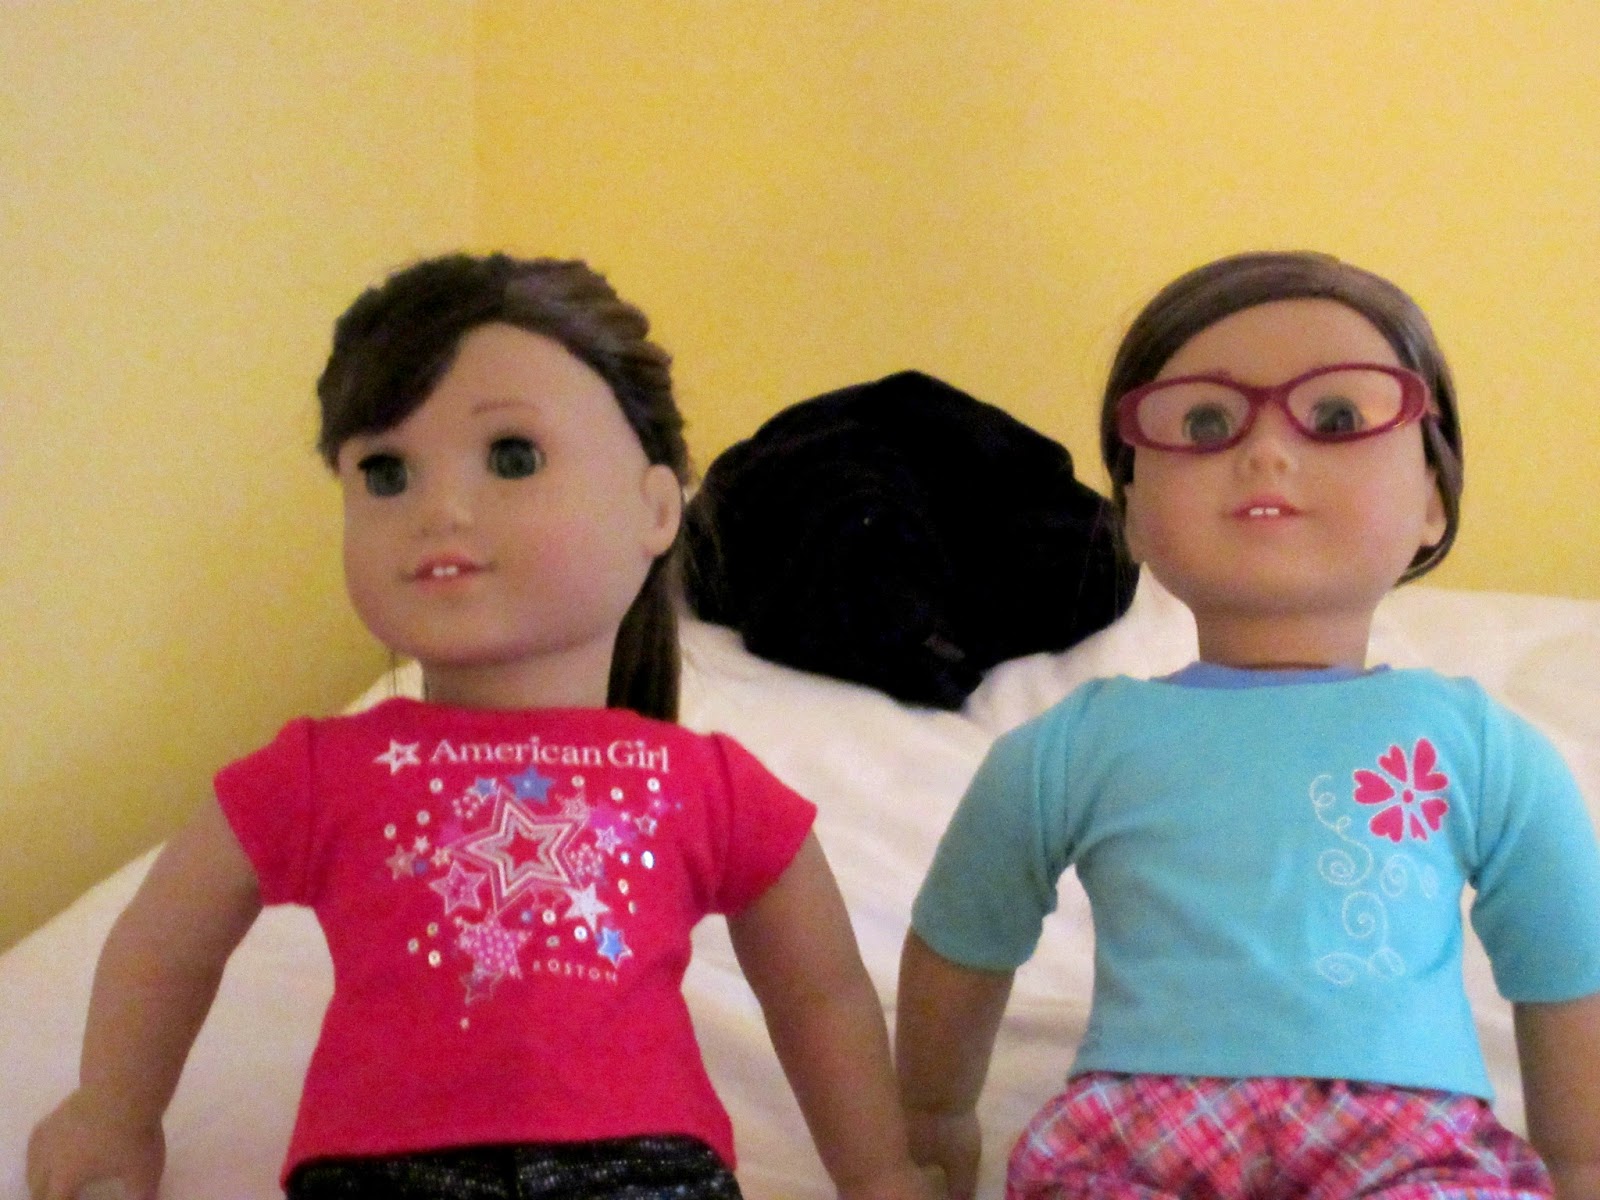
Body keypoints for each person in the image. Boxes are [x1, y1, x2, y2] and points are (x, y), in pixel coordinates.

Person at [28, 253, 935, 1200]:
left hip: (644, 1167)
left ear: (656, 507)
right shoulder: (316, 770)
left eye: (513, 457)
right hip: (382, 1170)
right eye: (385, 473)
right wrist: (112, 1113)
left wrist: (877, 1170)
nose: (439, 510)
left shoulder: (707, 783)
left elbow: (820, 994)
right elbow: (164, 943)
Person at [895, 250, 1600, 1200]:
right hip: (1136, 1135)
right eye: (1204, 422)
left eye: (1338, 416)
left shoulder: (1476, 745)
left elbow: (1566, 964)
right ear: (1132, 514)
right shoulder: (1073, 747)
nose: (1266, 450)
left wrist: (1580, 1163)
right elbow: (964, 937)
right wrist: (931, 1116)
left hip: (1408, 1142)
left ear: (1434, 501)